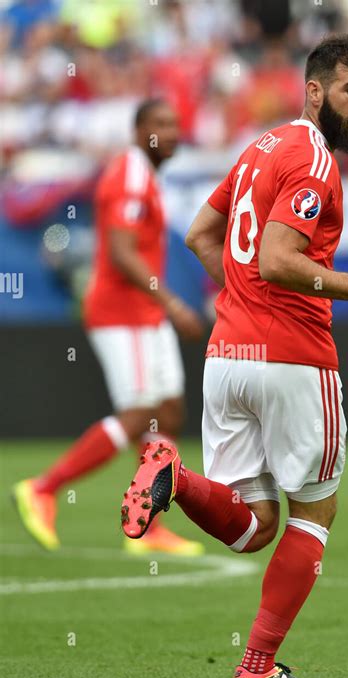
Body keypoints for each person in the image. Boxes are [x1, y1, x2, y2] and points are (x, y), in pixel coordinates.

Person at [120, 35, 348, 678]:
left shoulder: (259, 147)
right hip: (294, 358)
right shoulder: (314, 161)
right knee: (315, 511)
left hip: (229, 355)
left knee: (253, 525)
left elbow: (200, 231)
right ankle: (255, 667)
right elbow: (279, 259)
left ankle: (173, 474)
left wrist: (241, 297)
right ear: (314, 92)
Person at [13, 99, 205, 557]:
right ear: (138, 131)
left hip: (145, 314)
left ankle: (148, 524)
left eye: (176, 124)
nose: (171, 133)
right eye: (160, 125)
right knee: (140, 412)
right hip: (123, 313)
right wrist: (172, 302)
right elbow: (121, 252)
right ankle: (43, 487)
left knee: (170, 411)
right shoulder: (130, 175)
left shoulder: (146, 175)